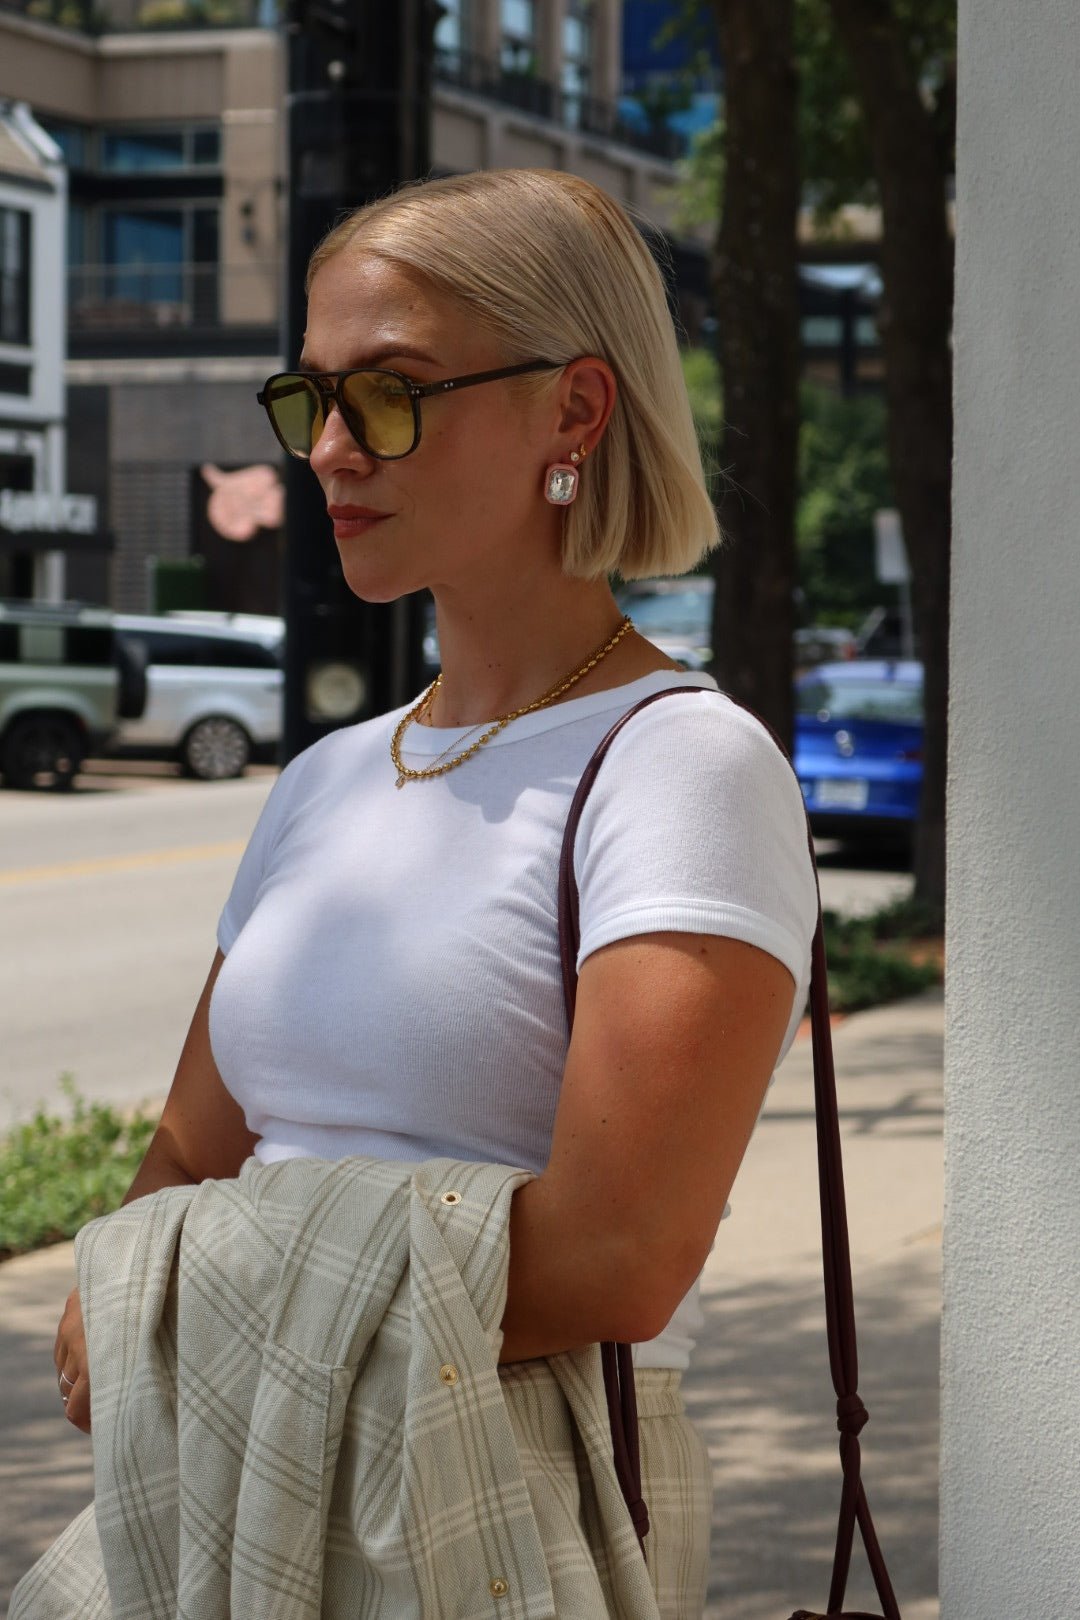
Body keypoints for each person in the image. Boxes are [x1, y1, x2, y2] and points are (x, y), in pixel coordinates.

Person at [52, 168, 817, 1618]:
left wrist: (186, 1308)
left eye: (392, 395)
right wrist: (123, 1286)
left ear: (574, 413)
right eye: (310, 399)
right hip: (221, 1471)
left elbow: (620, 1256)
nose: (331, 451)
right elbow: (188, 1153)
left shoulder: (680, 767)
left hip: (498, 1489)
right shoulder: (327, 777)